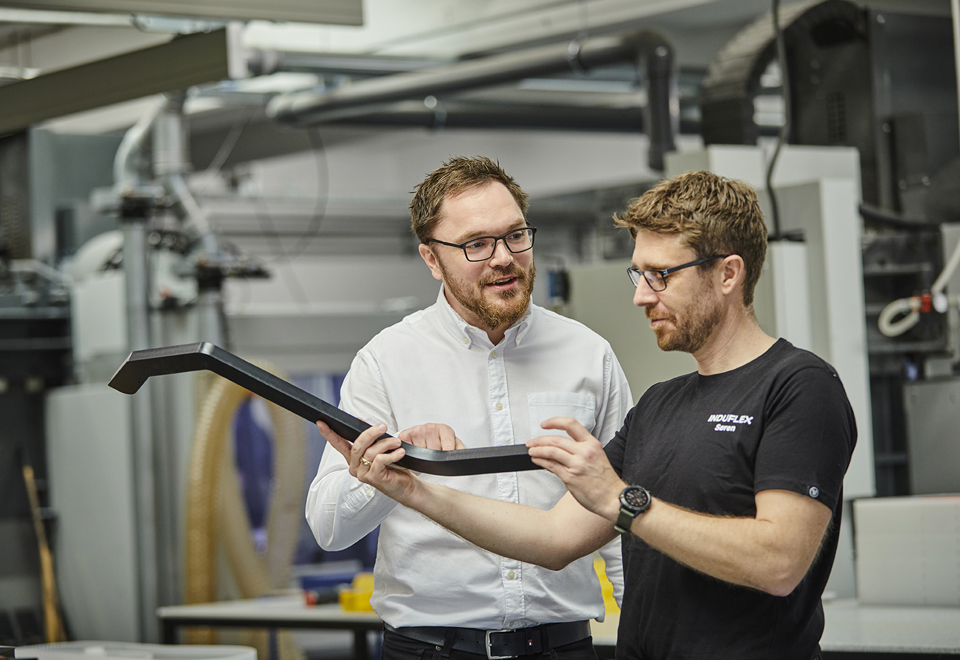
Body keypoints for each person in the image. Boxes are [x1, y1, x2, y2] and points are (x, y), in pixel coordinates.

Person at [319, 170, 858, 660]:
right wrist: (411, 485)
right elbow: (555, 539)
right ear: (432, 258)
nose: (641, 297)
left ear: (727, 274)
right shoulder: (660, 405)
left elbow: (778, 562)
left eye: (660, 275)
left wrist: (621, 501)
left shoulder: (798, 385)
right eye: (637, 275)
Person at [305, 155, 633, 660]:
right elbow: (330, 528)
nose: (503, 257)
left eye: (515, 235)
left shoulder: (589, 353)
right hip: (430, 650)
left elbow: (619, 512)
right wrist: (390, 468)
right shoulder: (386, 361)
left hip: (563, 647)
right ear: (431, 259)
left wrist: (643, 633)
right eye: (476, 244)